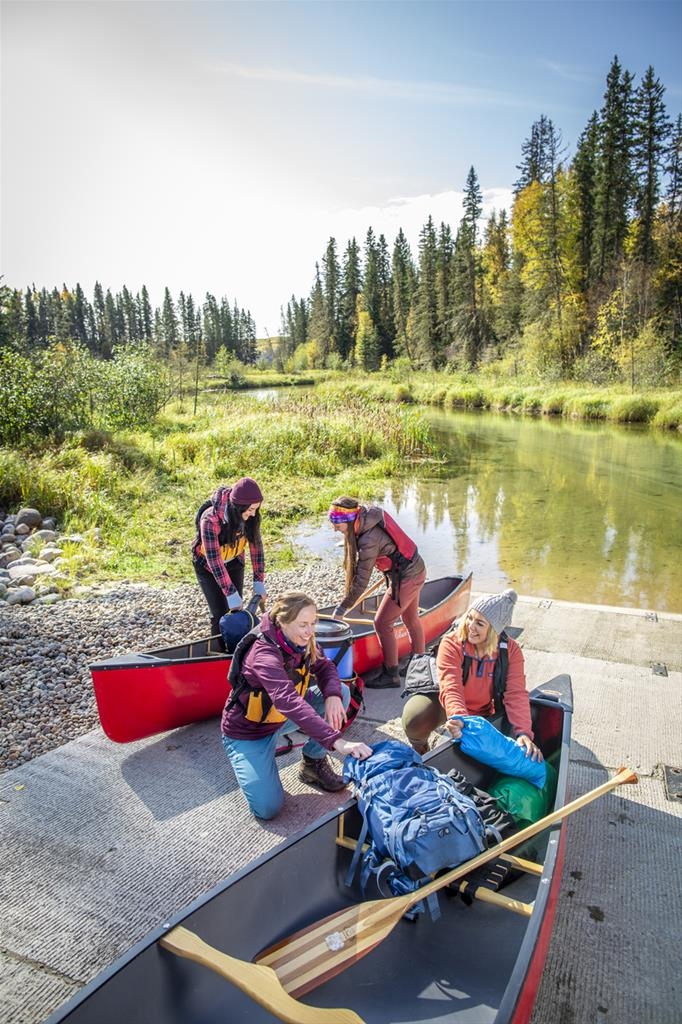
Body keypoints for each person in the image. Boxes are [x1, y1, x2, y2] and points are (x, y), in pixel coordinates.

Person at [221, 591, 372, 820]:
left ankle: (313, 763)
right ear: (282, 622)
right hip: (249, 733)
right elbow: (288, 701)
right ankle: (254, 762)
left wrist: (331, 693)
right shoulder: (264, 654)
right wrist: (337, 742)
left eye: (313, 623)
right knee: (268, 809)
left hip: (279, 722)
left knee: (340, 691)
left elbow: (325, 666)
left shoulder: (303, 640)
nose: (310, 631)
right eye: (303, 624)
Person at [402, 588, 543, 761]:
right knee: (414, 717)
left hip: (485, 710)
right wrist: (460, 718)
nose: (470, 627)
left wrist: (523, 732)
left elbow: (516, 693)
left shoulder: (511, 651)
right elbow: (451, 686)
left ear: (494, 631)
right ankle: (421, 749)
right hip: (449, 705)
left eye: (480, 624)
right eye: (469, 617)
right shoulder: (451, 643)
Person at [328, 496, 427, 689]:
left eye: (337, 524)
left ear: (349, 521)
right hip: (414, 569)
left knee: (382, 623)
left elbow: (361, 581)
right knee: (411, 618)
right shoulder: (365, 517)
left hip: (407, 576)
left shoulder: (368, 538)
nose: (334, 529)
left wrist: (342, 608)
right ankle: (419, 664)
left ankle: (391, 674)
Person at [191, 477, 266, 640]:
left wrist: (258, 580)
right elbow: (214, 561)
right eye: (250, 510)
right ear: (238, 506)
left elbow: (256, 547)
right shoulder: (209, 520)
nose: (253, 514)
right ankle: (217, 649)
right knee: (219, 614)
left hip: (234, 561)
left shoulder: (251, 517)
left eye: (256, 509)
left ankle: (236, 649)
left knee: (235, 612)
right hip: (208, 566)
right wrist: (229, 592)